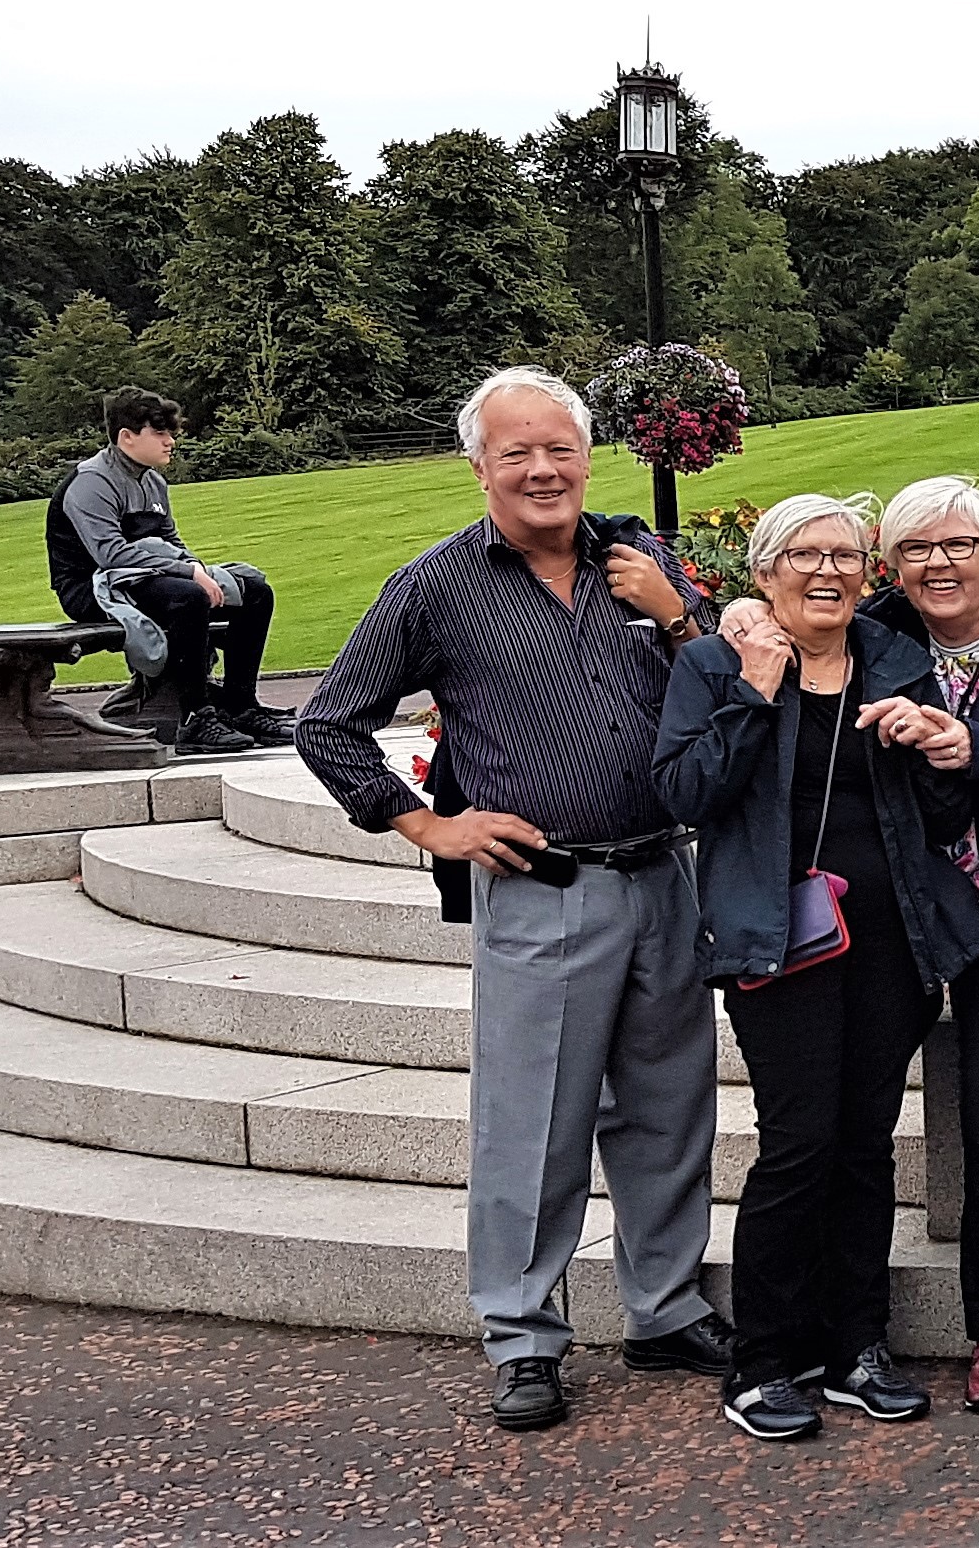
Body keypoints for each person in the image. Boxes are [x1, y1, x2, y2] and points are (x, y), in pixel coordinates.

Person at [291, 367, 731, 1432]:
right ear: (479, 466)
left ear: (588, 459)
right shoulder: (437, 586)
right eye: (517, 452)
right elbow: (327, 722)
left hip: (664, 875)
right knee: (530, 1126)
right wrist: (428, 825)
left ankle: (666, 1308)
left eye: (560, 449)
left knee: (670, 1112)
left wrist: (677, 615)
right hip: (546, 888)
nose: (542, 470)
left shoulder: (639, 559)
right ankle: (523, 1334)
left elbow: (731, 681)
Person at [719, 475, 979, 1413]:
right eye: (914, 549)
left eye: (959, 545)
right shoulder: (875, 634)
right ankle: (805, 1346)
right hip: (893, 918)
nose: (939, 564)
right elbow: (787, 612)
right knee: (826, 1133)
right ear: (890, 567)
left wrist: (978, 748)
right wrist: (744, 613)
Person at [654, 493, 979, 1441]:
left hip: (892, 937)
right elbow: (684, 792)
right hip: (776, 938)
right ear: (764, 574)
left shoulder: (897, 660)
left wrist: (936, 752)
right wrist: (754, 694)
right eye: (804, 556)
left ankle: (856, 1347)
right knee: (799, 1142)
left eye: (844, 556)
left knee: (867, 1141)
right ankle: (764, 1360)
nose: (828, 572)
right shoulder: (717, 664)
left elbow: (945, 818)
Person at [46, 386, 289, 752]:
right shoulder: (91, 483)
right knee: (187, 597)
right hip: (92, 587)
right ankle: (195, 718)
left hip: (146, 578)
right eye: (159, 433)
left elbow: (170, 540)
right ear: (126, 437)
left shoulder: (154, 481)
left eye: (170, 433)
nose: (170, 441)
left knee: (255, 593)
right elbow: (110, 554)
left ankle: (241, 706)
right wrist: (189, 573)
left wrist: (193, 565)